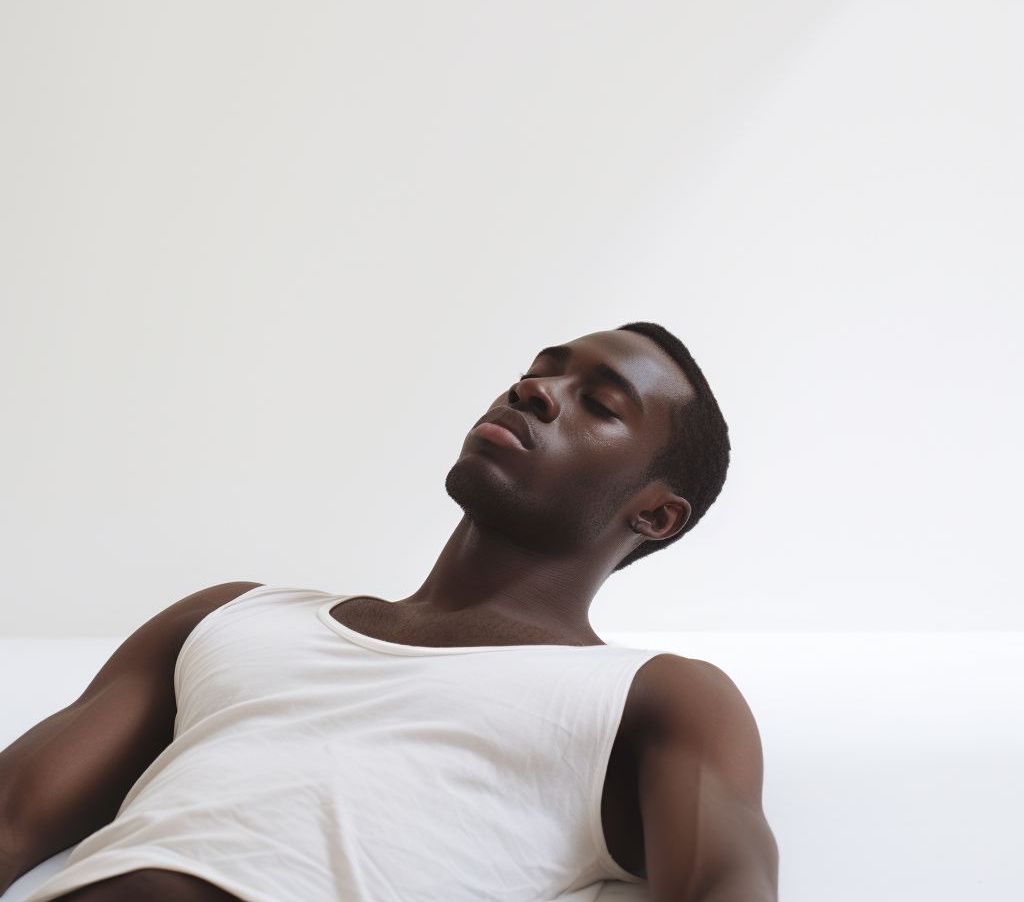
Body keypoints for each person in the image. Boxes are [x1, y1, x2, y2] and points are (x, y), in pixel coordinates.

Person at [0, 322, 778, 902]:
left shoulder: (655, 695)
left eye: (599, 404)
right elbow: (12, 815)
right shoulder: (233, 615)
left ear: (656, 515)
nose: (535, 391)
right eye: (539, 373)